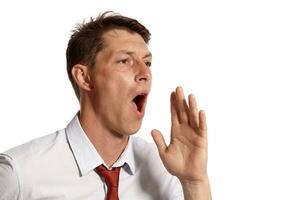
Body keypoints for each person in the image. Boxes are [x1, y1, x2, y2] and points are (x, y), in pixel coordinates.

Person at [0, 11, 211, 200]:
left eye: (147, 63)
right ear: (85, 78)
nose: (145, 74)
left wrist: (194, 182)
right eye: (124, 61)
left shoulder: (165, 169)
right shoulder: (19, 173)